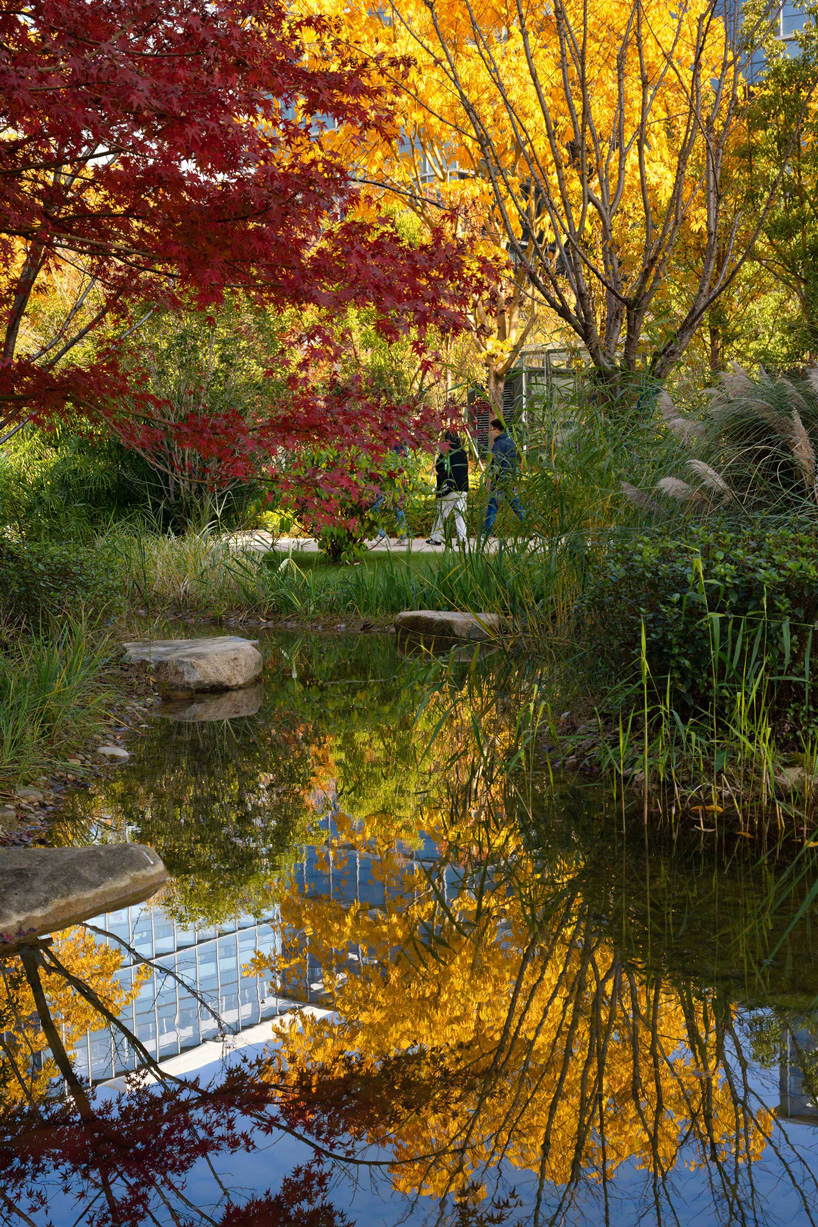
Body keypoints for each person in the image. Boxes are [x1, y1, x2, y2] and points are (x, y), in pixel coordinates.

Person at [482, 417, 525, 538]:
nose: (491, 433)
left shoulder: (498, 445)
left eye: (492, 430)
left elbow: (497, 464)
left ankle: (487, 533)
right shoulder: (511, 442)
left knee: (492, 507)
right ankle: (528, 527)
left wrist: (492, 475)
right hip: (511, 480)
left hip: (500, 480)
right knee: (516, 506)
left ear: (497, 430)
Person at [427, 429, 469, 546]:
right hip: (463, 487)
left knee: (442, 513)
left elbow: (440, 467)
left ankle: (436, 538)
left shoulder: (446, 452)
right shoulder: (463, 453)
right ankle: (462, 539)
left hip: (450, 487)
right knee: (461, 515)